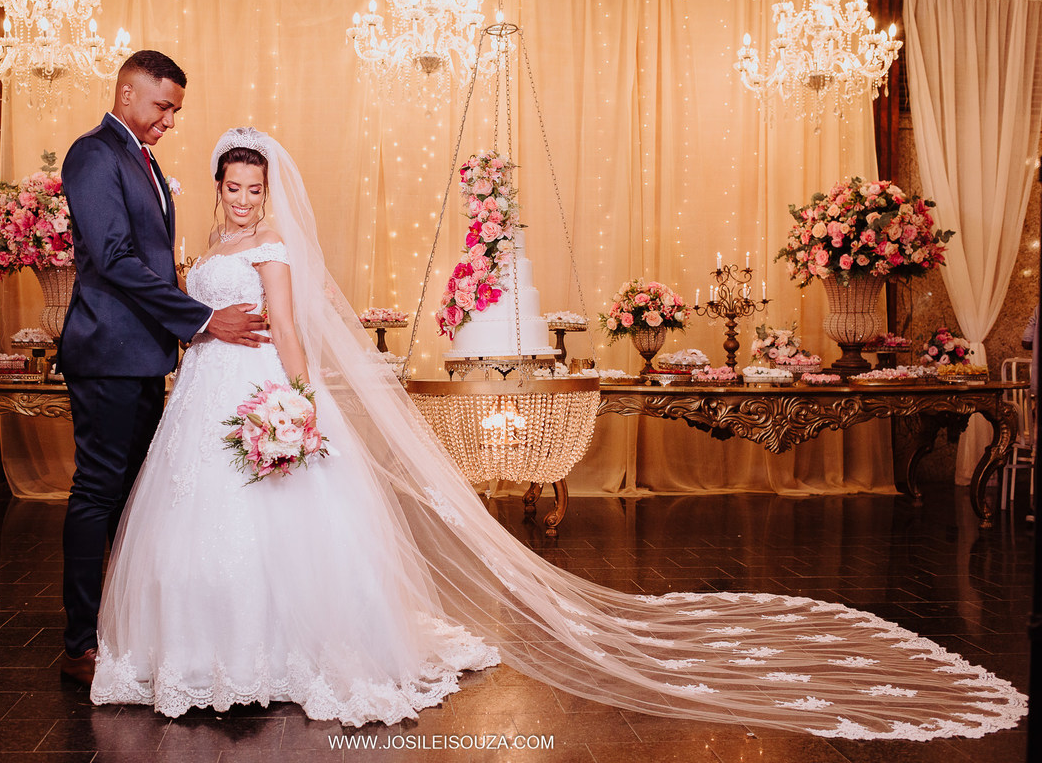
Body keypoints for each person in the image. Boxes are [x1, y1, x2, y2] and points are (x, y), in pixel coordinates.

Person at [91, 128, 1025, 738]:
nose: (243, 198)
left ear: (268, 192)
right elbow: (192, 314)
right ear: (218, 187)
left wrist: (299, 399)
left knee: (279, 522)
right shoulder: (206, 246)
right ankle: (205, 654)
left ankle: (284, 653)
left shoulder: (271, 247)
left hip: (265, 390)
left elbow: (292, 329)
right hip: (205, 390)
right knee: (200, 523)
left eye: (254, 187)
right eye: (233, 186)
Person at [57, 52, 268, 686]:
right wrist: (202, 318)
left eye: (176, 109)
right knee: (99, 492)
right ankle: (80, 643)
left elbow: (149, 262)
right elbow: (114, 258)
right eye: (163, 106)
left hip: (143, 354)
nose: (171, 120)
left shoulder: (141, 159)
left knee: (136, 498)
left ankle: (126, 629)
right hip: (108, 354)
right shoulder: (94, 154)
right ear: (127, 94)